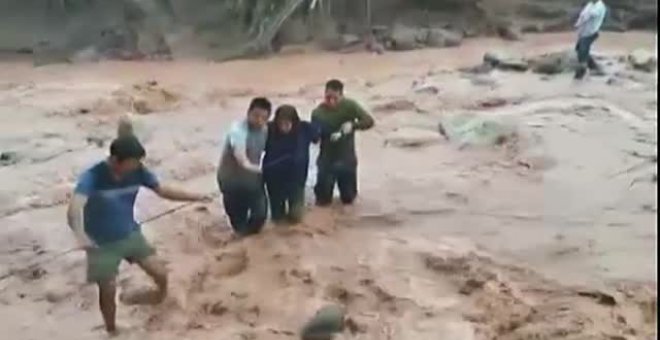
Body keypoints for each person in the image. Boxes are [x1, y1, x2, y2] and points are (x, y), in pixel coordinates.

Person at [67, 135, 210, 335]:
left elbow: (162, 190)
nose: (137, 167)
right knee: (107, 290)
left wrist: (196, 196)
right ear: (115, 161)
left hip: (130, 233)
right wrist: (82, 238)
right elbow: (74, 209)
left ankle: (152, 298)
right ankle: (111, 330)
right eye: (133, 163)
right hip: (100, 244)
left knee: (160, 273)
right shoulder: (93, 176)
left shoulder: (139, 171)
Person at [311, 79, 374, 206]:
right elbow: (314, 138)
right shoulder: (318, 113)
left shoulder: (350, 106)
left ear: (341, 95)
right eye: (328, 97)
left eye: (335, 98)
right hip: (326, 160)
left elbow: (369, 121)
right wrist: (317, 133)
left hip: (347, 159)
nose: (331, 101)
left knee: (349, 199)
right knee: (322, 201)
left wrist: (353, 125)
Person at [217, 97, 271, 236]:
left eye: (263, 118)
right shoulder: (238, 131)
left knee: (260, 215)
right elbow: (242, 160)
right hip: (231, 181)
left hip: (253, 181)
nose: (259, 120)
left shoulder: (266, 130)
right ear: (248, 113)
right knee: (238, 223)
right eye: (255, 116)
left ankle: (251, 244)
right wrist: (263, 170)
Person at [263, 104, 320, 224]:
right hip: (274, 180)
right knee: (277, 218)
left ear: (294, 122)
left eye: (287, 123)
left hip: (297, 180)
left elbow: (321, 136)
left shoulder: (305, 128)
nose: (284, 127)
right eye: (281, 123)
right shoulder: (268, 130)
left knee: (296, 217)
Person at [574, 0, 608, 80]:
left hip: (591, 32)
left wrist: (583, 18)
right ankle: (594, 67)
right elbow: (582, 15)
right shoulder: (590, 4)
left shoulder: (600, 6)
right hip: (584, 31)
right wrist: (578, 24)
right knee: (578, 48)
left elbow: (592, 14)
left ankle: (581, 73)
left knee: (582, 51)